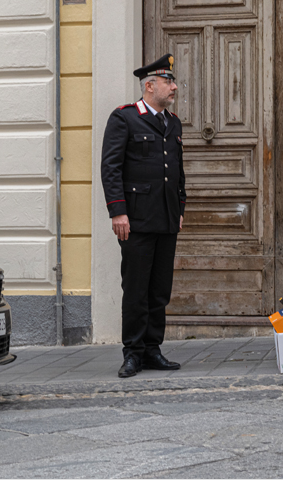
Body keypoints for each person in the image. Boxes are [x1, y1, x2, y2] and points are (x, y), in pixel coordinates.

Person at [100, 53, 187, 379]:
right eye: (168, 82)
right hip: (136, 220)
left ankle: (152, 349)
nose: (174, 87)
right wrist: (118, 211)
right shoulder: (124, 118)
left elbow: (177, 171)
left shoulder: (172, 122)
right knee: (136, 289)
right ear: (150, 86)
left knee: (159, 290)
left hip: (166, 218)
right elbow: (111, 168)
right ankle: (133, 353)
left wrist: (179, 209)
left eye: (173, 82)